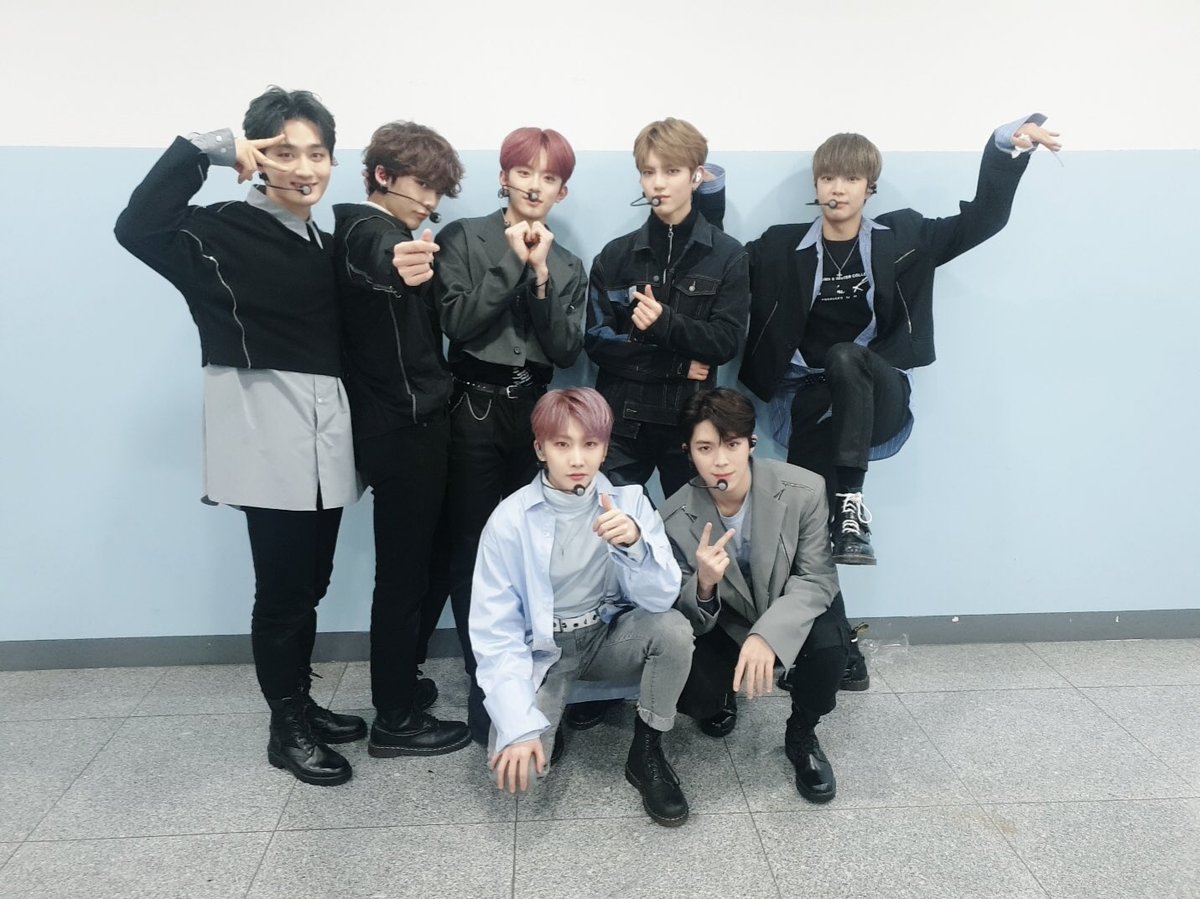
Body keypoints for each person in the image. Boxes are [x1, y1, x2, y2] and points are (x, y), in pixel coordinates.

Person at [114, 87, 364, 786]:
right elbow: (136, 227)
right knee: (282, 590)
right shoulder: (217, 229)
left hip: (327, 433)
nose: (304, 168)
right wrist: (208, 148)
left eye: (317, 153)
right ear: (257, 156)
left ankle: (301, 701)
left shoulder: (325, 242)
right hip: (265, 430)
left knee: (312, 581)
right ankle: (286, 727)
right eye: (286, 152)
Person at [739, 114, 1062, 567]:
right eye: (828, 178)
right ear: (816, 184)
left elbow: (985, 219)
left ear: (869, 187)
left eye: (851, 179)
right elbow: (724, 269)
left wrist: (1004, 146)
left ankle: (850, 504)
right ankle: (827, 576)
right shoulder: (779, 247)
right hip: (809, 398)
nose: (837, 189)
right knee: (802, 537)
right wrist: (708, 192)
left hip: (879, 393)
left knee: (846, 356)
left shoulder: (907, 237)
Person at [470, 388, 695, 826]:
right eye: (562, 444)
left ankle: (646, 751)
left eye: (590, 444)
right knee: (518, 772)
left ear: (605, 449)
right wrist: (518, 725)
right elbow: (495, 631)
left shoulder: (630, 503)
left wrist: (635, 545)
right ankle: (555, 711)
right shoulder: (509, 520)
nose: (577, 459)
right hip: (545, 652)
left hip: (607, 638)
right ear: (540, 449)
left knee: (673, 630)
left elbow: (660, 599)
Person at [430, 127, 588, 744]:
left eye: (549, 177)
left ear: (562, 191)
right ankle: (485, 685)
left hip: (536, 415)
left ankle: (533, 677)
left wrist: (542, 274)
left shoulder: (568, 262)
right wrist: (514, 261)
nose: (535, 186)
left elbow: (567, 349)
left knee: (536, 546)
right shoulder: (463, 237)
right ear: (504, 177)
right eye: (524, 172)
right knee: (473, 547)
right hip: (472, 406)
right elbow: (459, 321)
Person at [331, 121, 470, 757]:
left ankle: (401, 687)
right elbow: (383, 263)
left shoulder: (376, 230)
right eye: (422, 187)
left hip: (407, 423)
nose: (431, 203)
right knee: (403, 576)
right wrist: (402, 265)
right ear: (383, 176)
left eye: (439, 191)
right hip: (403, 428)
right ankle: (394, 719)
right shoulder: (371, 233)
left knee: (422, 565)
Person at [661, 388, 849, 802]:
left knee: (831, 645)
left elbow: (817, 577)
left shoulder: (804, 490)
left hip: (790, 605)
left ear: (751, 443)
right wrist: (705, 584)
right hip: (725, 619)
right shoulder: (673, 517)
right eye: (705, 448)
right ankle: (724, 695)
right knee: (697, 698)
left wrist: (767, 635)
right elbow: (683, 611)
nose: (720, 461)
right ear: (688, 452)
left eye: (731, 444)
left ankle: (802, 733)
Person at [585, 117, 749, 501]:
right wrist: (676, 365)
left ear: (696, 176)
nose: (658, 183)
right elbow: (597, 343)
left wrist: (666, 322)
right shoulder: (615, 255)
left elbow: (726, 342)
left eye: (671, 171)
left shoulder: (728, 255)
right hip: (621, 424)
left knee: (693, 530)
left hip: (691, 425)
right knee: (615, 528)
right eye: (648, 172)